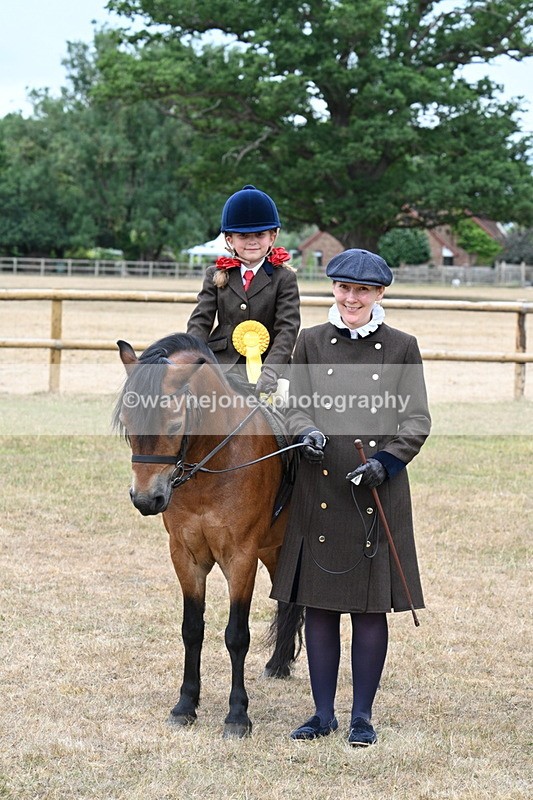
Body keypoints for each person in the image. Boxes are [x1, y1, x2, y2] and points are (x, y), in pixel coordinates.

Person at [270, 248, 431, 746]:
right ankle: (322, 715)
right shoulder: (311, 341)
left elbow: (417, 421)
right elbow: (293, 406)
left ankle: (362, 716)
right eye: (343, 288)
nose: (352, 298)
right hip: (319, 487)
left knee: (368, 610)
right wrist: (307, 430)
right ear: (334, 290)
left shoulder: (403, 346)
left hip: (375, 492)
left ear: (379, 294)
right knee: (318, 608)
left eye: (362, 290)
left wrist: (384, 463)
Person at [187, 185, 300, 395]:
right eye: (243, 236)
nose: (252, 241)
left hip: (268, 366)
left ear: (272, 237)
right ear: (230, 240)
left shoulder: (284, 278)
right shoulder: (216, 274)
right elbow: (201, 321)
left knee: (287, 415)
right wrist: (191, 359)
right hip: (222, 364)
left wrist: (271, 371)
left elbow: (288, 328)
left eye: (260, 234)